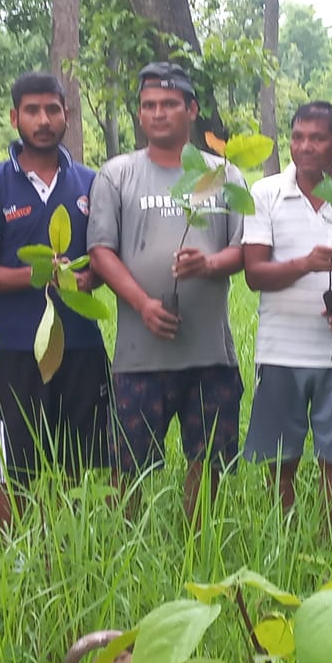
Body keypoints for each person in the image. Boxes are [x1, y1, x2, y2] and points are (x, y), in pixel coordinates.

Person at [85, 62, 246, 522]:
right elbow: (101, 251)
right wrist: (142, 303)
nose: (158, 114)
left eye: (169, 104)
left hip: (210, 353)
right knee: (128, 467)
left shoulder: (222, 175)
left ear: (191, 110)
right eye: (149, 106)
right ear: (139, 114)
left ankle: (200, 547)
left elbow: (245, 249)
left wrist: (210, 263)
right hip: (140, 355)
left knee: (208, 461)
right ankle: (127, 547)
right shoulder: (116, 174)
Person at [0, 72, 108, 526]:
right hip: (17, 348)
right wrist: (38, 274)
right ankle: (20, 556)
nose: (43, 120)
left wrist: (88, 280)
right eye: (32, 110)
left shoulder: (92, 183)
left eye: (52, 109)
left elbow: (104, 261)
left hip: (82, 346)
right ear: (14, 117)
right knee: (15, 466)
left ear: (67, 114)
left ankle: (76, 547)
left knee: (84, 459)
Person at [242, 101, 332, 526]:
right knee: (280, 455)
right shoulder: (265, 194)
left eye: (318, 138)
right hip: (281, 350)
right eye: (298, 137)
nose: (305, 147)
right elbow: (254, 274)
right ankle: (283, 537)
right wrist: (305, 264)